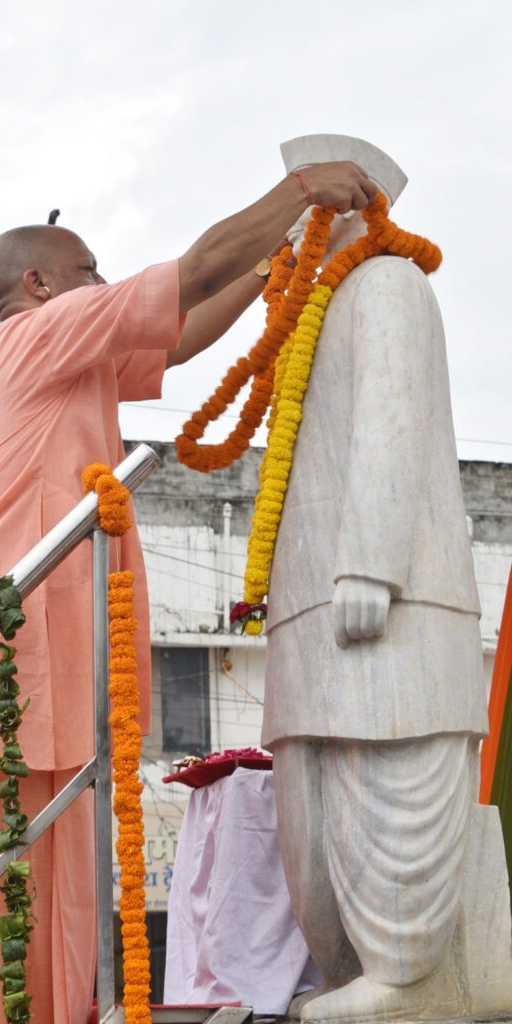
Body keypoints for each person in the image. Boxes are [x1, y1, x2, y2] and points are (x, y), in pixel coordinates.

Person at [0, 158, 377, 1024]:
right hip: (0, 671)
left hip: (62, 680)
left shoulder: (75, 359)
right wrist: (297, 192)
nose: (103, 282)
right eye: (88, 269)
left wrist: (277, 257)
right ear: (39, 283)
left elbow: (179, 331)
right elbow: (187, 274)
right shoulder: (30, 335)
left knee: (66, 917)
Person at [264, 136, 512, 1022]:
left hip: (385, 595)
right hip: (306, 605)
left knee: (386, 780)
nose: (278, 239)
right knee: (312, 808)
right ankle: (352, 971)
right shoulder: (301, 320)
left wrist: (370, 561)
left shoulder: (386, 284)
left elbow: (390, 425)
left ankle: (409, 979)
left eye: (293, 214)